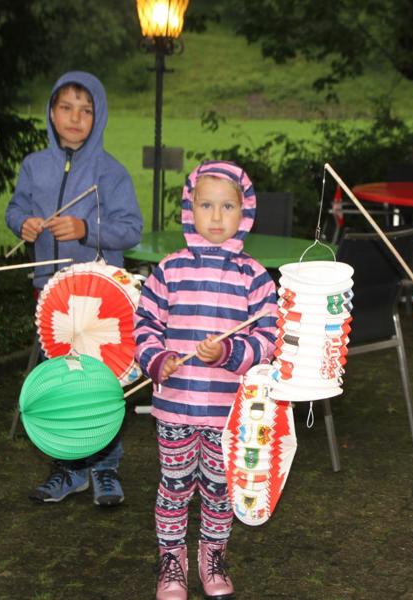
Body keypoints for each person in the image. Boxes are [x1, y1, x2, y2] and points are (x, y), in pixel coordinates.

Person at [134, 161, 278, 600]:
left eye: (228, 206)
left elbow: (269, 337)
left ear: (245, 212)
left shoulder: (254, 276)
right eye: (207, 205)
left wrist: (230, 353)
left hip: (229, 411)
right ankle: (172, 561)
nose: (216, 217)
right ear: (189, 209)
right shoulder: (169, 270)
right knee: (175, 485)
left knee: (219, 489)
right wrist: (157, 359)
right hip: (175, 405)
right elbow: (144, 325)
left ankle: (212, 555)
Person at [6, 71, 143, 507]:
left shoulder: (111, 171)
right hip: (52, 298)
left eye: (86, 110)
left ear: (98, 117)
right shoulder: (34, 166)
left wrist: (86, 228)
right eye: (66, 107)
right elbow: (14, 209)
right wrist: (23, 224)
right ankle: (68, 469)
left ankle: (105, 467)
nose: (75, 118)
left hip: (100, 302)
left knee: (102, 386)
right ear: (51, 111)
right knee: (62, 384)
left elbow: (131, 231)